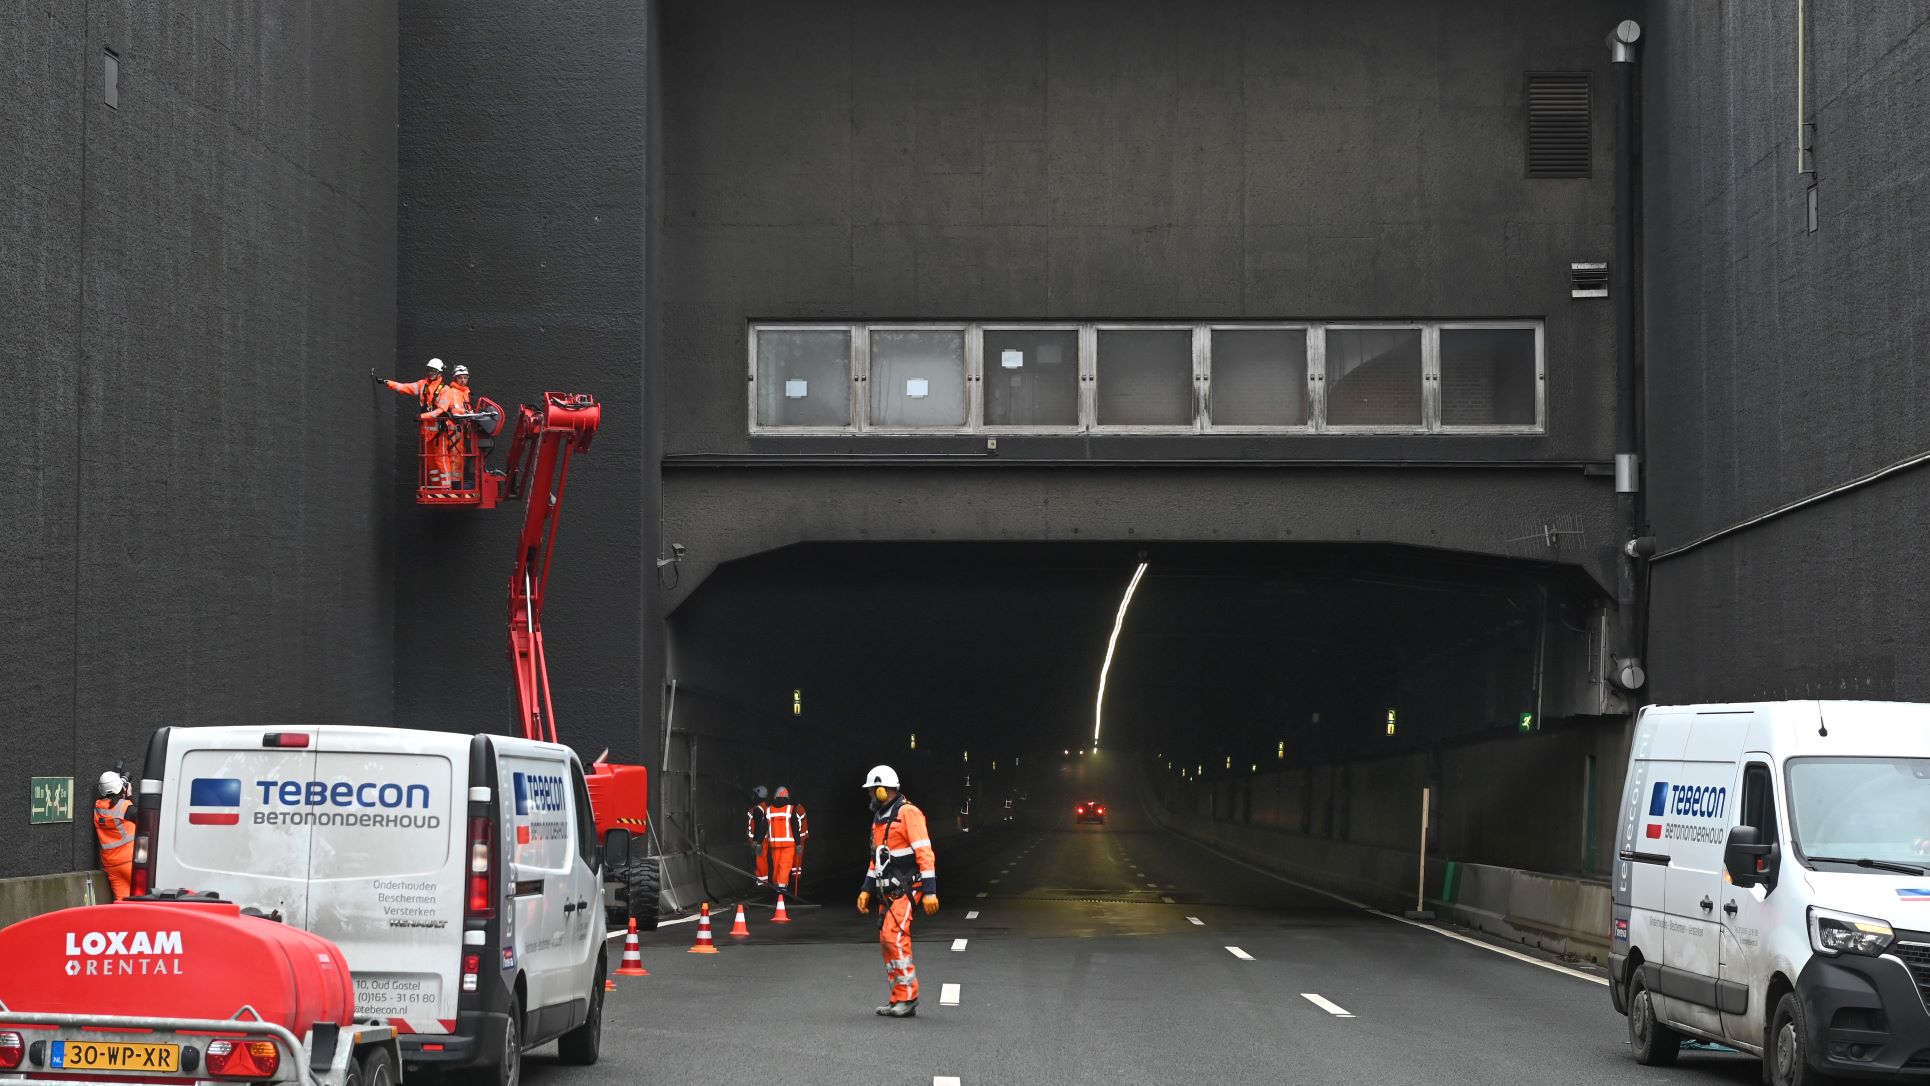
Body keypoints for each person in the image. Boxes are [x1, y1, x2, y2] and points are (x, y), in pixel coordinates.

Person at [855, 765, 938, 1017]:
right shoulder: (879, 819)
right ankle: (898, 998)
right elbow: (876, 860)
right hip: (887, 892)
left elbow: (924, 852)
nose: (869, 795)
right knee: (886, 941)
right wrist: (866, 890)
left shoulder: (908, 813)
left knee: (895, 938)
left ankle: (908, 998)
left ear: (881, 790)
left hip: (906, 889)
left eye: (871, 791)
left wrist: (930, 891)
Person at [377, 358, 448, 486]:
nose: (430, 373)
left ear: (439, 373)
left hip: (439, 431)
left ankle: (446, 487)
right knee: (430, 462)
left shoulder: (445, 390)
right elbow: (405, 387)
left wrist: (423, 416)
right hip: (427, 431)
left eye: (433, 371)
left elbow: (441, 410)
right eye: (429, 371)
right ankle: (437, 487)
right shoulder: (423, 385)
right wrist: (388, 383)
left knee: (440, 460)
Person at [427, 365, 475, 488]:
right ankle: (454, 483)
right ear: (455, 378)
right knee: (455, 457)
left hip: (460, 429)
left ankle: (454, 482)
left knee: (459, 457)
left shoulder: (464, 392)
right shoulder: (454, 392)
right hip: (454, 429)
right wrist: (470, 414)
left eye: (465, 378)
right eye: (460, 378)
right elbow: (456, 411)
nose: (463, 380)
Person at [93, 772, 135, 901]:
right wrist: (129, 796)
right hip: (130, 861)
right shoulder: (125, 807)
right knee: (145, 900)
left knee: (122, 902)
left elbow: (110, 802)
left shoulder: (98, 809)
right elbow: (146, 817)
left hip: (112, 865)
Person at [765, 786, 800, 897]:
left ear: (775, 795)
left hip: (774, 844)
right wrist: (798, 843)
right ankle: (782, 887)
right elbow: (795, 827)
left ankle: (777, 885)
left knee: (776, 866)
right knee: (785, 865)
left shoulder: (769, 809)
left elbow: (763, 826)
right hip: (788, 844)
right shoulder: (791, 809)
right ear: (787, 796)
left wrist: (758, 841)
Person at [747, 785, 771, 887]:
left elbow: (758, 826)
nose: (753, 796)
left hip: (759, 840)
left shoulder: (758, 809)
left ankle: (762, 883)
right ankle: (762, 881)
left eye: (755, 794)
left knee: (759, 860)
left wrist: (756, 841)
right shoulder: (765, 807)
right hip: (763, 839)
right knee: (762, 859)